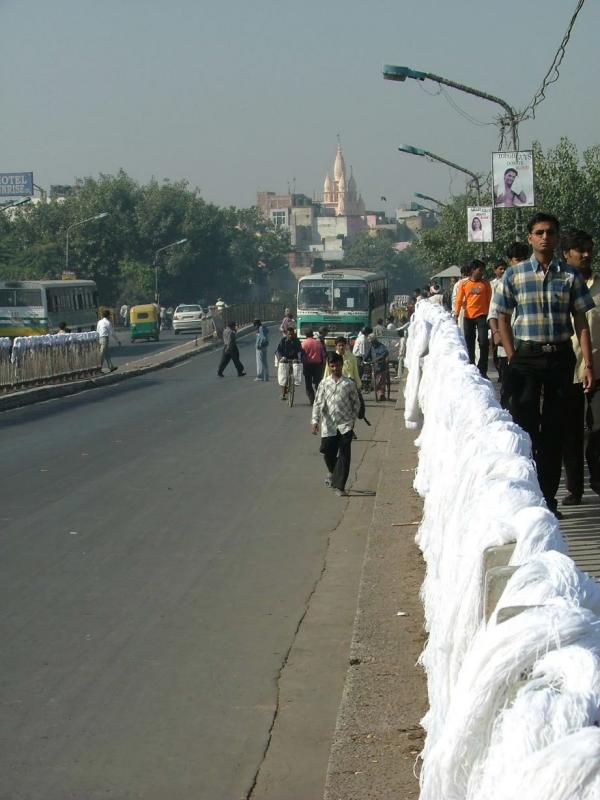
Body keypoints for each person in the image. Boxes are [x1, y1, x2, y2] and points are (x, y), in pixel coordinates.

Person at [495, 212, 595, 518]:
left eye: (550, 232)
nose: (545, 237)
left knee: (556, 430)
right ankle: (529, 496)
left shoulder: (570, 276)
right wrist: (512, 353)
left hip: (560, 357)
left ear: (557, 237)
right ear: (530, 238)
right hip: (526, 358)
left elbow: (581, 320)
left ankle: (548, 499)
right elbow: (500, 315)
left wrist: (587, 364)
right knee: (526, 427)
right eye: (539, 232)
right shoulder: (515, 275)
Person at [560, 230, 600, 505]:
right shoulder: (557, 285)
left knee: (597, 431)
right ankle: (575, 488)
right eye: (580, 249)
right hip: (565, 369)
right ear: (566, 254)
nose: (586, 254)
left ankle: (597, 480)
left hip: (597, 370)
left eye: (589, 249)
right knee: (570, 433)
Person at [311, 352, 360, 497]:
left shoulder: (349, 384)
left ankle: (340, 486)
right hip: (329, 426)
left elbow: (356, 403)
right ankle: (333, 472)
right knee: (326, 451)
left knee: (344, 455)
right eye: (332, 366)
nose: (335, 368)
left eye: (337, 365)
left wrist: (352, 420)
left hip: (345, 425)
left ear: (341, 365)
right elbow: (318, 403)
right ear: (329, 367)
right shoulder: (324, 383)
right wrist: (315, 421)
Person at [454, 259, 492, 377]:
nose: (482, 272)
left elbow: (490, 299)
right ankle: (471, 366)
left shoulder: (486, 283)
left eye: (483, 270)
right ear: (472, 270)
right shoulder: (464, 284)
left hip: (482, 316)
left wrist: (491, 316)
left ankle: (483, 369)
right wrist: (456, 313)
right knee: (469, 343)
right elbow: (459, 299)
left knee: (483, 342)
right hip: (468, 317)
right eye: (479, 270)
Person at [275, 326, 303, 400]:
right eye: (289, 334)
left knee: (297, 370)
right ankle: (283, 394)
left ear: (294, 334)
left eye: (292, 334)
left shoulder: (297, 341)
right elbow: (278, 351)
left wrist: (299, 359)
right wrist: (281, 358)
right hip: (284, 359)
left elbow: (300, 351)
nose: (291, 335)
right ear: (287, 334)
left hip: (294, 359)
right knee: (283, 375)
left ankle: (294, 383)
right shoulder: (283, 340)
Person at [301, 329, 326, 404]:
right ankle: (319, 398)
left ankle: (312, 400)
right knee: (318, 383)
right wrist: (323, 363)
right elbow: (323, 354)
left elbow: (301, 355)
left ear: (306, 335)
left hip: (307, 365)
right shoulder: (318, 343)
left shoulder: (303, 343)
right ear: (312, 335)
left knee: (308, 383)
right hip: (317, 365)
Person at [368, 333, 389, 401]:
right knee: (375, 381)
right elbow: (368, 354)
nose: (371, 343)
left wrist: (380, 358)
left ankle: (381, 394)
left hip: (381, 366)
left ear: (374, 340)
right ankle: (380, 393)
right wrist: (363, 360)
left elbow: (386, 352)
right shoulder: (371, 346)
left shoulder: (381, 346)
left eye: (371, 341)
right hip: (374, 366)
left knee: (381, 381)